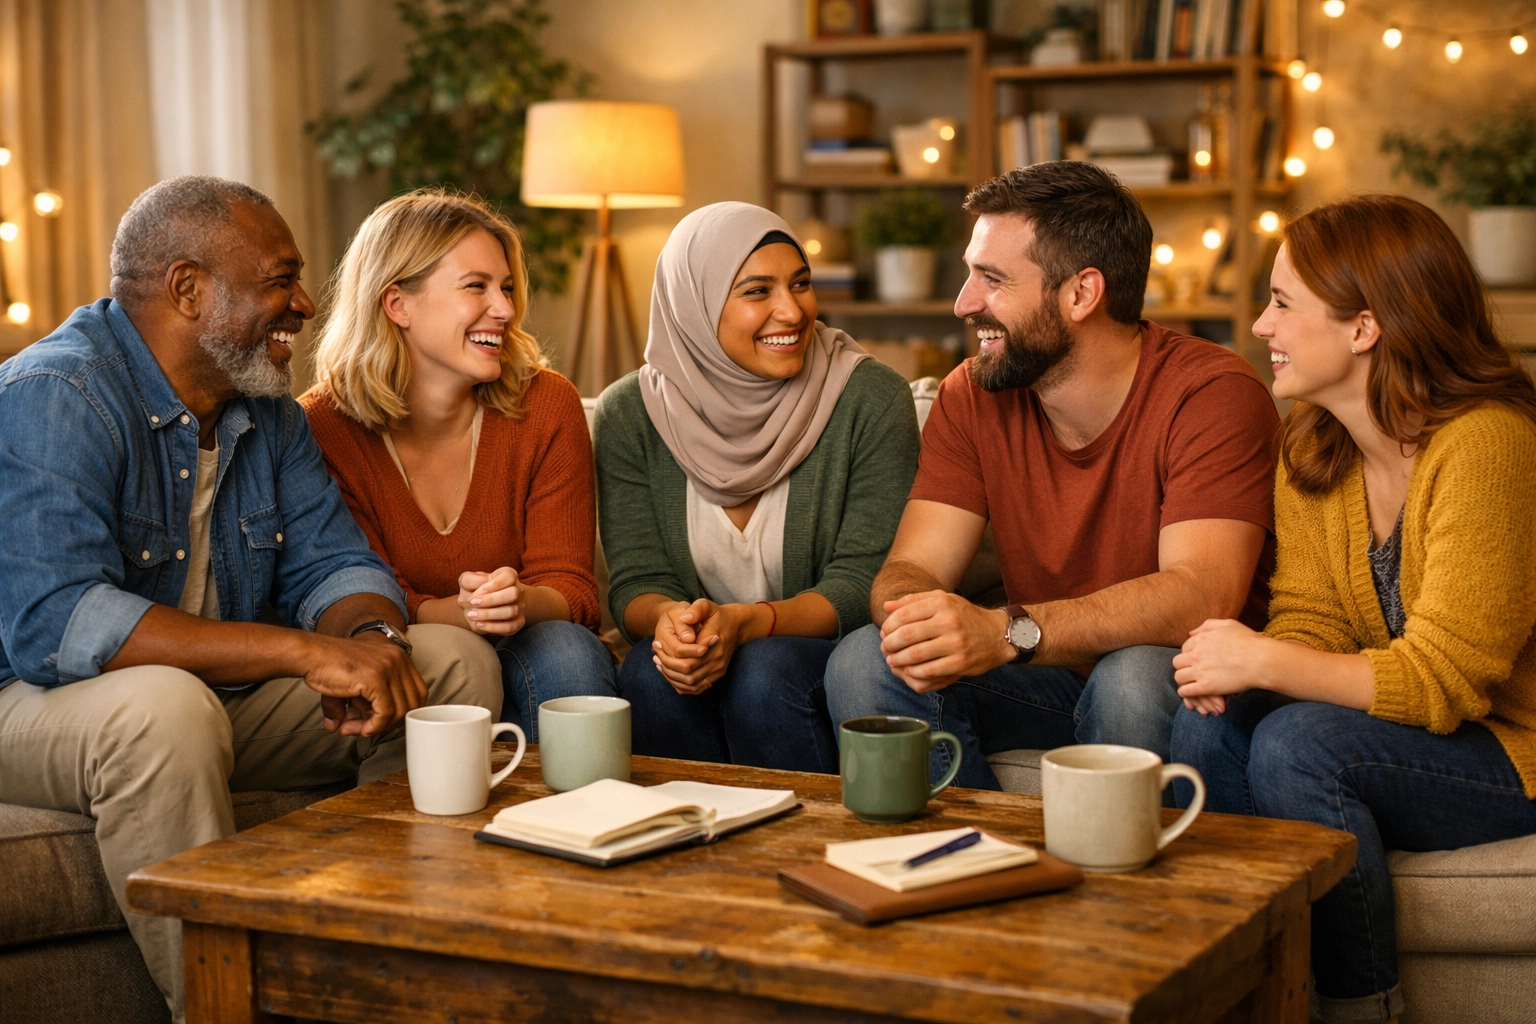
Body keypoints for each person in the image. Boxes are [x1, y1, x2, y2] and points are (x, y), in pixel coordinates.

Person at [0, 176, 501, 1023]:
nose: (304, 304)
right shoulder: (59, 394)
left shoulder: (267, 413)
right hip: (31, 702)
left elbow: (336, 567)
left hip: (210, 698)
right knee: (161, 709)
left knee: (447, 660)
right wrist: (306, 652)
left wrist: (370, 639)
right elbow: (59, 624)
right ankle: (223, 1011)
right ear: (189, 289)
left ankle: (398, 978)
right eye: (280, 279)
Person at [1169, 194, 1536, 1024]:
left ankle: (1361, 1008)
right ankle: (1236, 992)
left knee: (1303, 745)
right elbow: (1312, 622)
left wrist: (1265, 660)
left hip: (1515, 748)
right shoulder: (1315, 447)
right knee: (1205, 721)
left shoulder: (1488, 444)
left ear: (1364, 328)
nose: (1260, 325)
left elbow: (1449, 681)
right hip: (1419, 729)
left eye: (1282, 303)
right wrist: (1243, 668)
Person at [823, 161, 1280, 790]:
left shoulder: (1212, 392)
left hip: (1184, 685)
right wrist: (915, 621)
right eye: (969, 274)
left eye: (992, 279)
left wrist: (1005, 631)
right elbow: (913, 568)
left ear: (1081, 294)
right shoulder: (974, 394)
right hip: (1046, 678)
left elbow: (1202, 594)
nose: (964, 303)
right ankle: (973, 867)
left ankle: (1126, 883)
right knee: (863, 660)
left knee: (1131, 677)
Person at [595, 202, 918, 772]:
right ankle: (680, 848)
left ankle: (804, 851)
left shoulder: (870, 399)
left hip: (816, 661)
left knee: (763, 673)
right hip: (693, 662)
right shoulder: (630, 414)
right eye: (756, 291)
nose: (791, 311)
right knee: (650, 669)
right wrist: (674, 624)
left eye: (800, 284)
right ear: (693, 305)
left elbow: (861, 583)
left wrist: (748, 624)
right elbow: (637, 581)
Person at [301, 189, 615, 738]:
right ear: (397, 303)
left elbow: (574, 586)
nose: (506, 309)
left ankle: (586, 819)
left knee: (568, 649)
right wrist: (459, 613)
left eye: (508, 287)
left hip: (533, 638)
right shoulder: (322, 426)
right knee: (442, 657)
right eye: (477, 287)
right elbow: (351, 590)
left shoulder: (547, 405)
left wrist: (519, 602)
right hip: (408, 644)